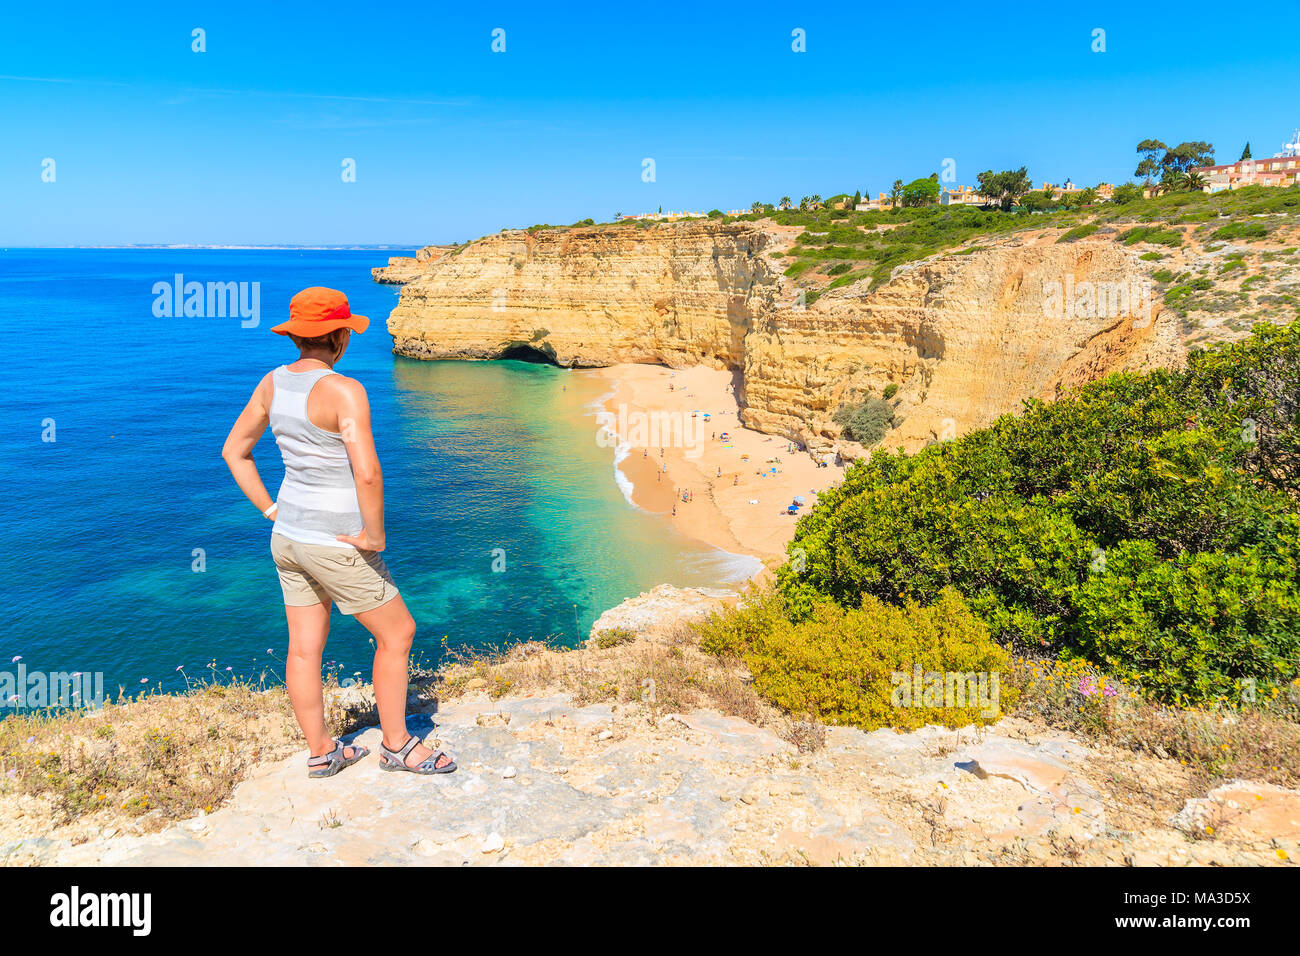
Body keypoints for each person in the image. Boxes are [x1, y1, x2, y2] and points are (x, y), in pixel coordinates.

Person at [222, 287, 456, 778]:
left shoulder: (272, 383)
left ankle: (323, 752)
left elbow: (234, 452)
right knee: (398, 634)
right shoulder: (345, 391)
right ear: (340, 336)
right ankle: (397, 745)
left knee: (305, 649)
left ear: (297, 337)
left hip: (287, 537)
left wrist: (270, 509)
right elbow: (367, 473)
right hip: (335, 541)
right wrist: (373, 537)